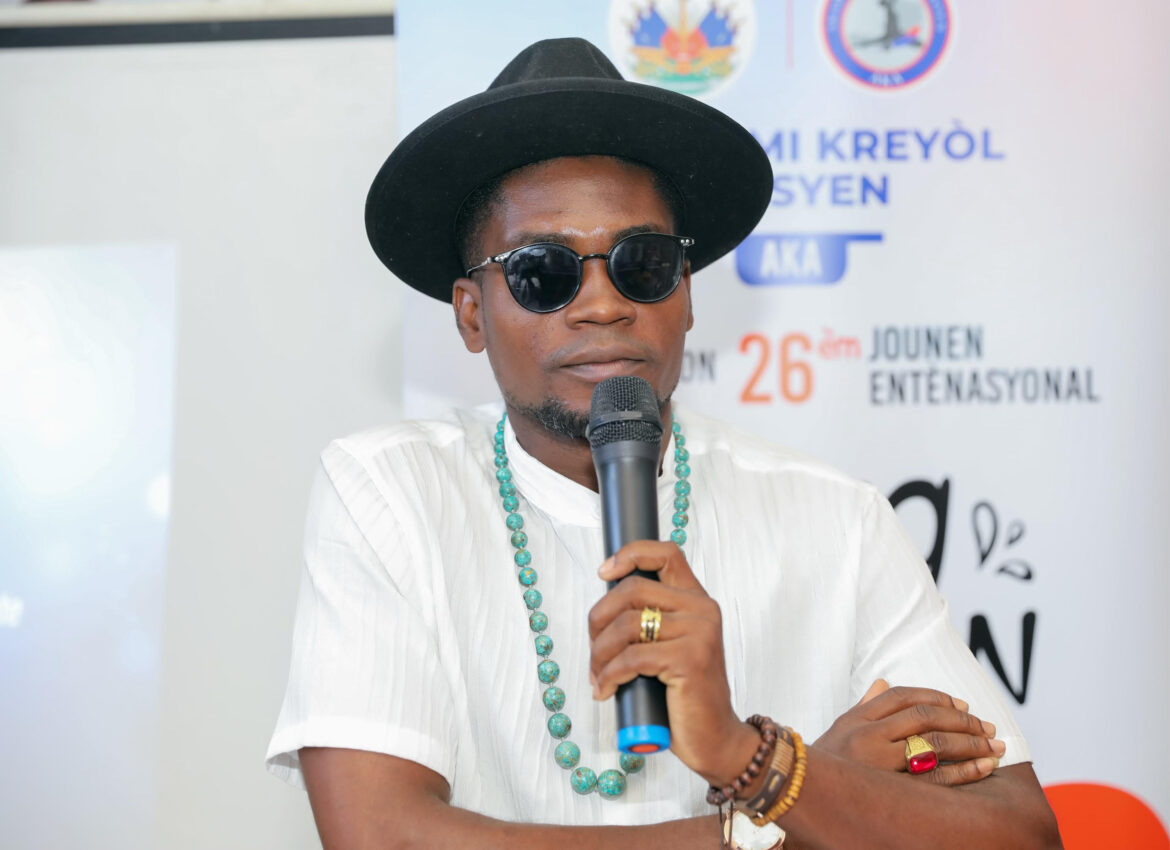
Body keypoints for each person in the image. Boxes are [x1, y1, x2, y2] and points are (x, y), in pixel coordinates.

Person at [266, 38, 1061, 849]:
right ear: (472, 314)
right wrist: (773, 818)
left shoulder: (838, 521)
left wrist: (749, 757)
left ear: (685, 296)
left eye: (641, 264)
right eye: (545, 271)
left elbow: (1017, 835)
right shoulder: (390, 495)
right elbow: (380, 837)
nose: (604, 305)